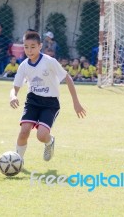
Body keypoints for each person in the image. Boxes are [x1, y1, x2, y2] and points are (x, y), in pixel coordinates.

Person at [9, 31, 86, 164]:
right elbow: (15, 87)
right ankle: (17, 161)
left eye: (33, 46)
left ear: (40, 46)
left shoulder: (50, 62)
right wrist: (13, 96)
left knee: (41, 135)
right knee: (24, 131)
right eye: (26, 47)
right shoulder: (24, 66)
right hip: (32, 101)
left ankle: (50, 142)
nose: (29, 50)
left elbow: (67, 78)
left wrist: (76, 103)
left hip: (50, 103)